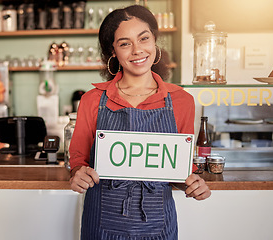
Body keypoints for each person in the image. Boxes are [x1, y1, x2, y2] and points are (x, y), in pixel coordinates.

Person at [69, 5, 211, 240]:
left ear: (155, 41)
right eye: (125, 43)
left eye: (143, 38)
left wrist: (193, 184)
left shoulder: (181, 101)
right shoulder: (92, 100)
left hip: (159, 225)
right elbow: (78, 162)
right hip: (101, 224)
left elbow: (178, 169)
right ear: (113, 52)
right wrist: (77, 174)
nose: (137, 50)